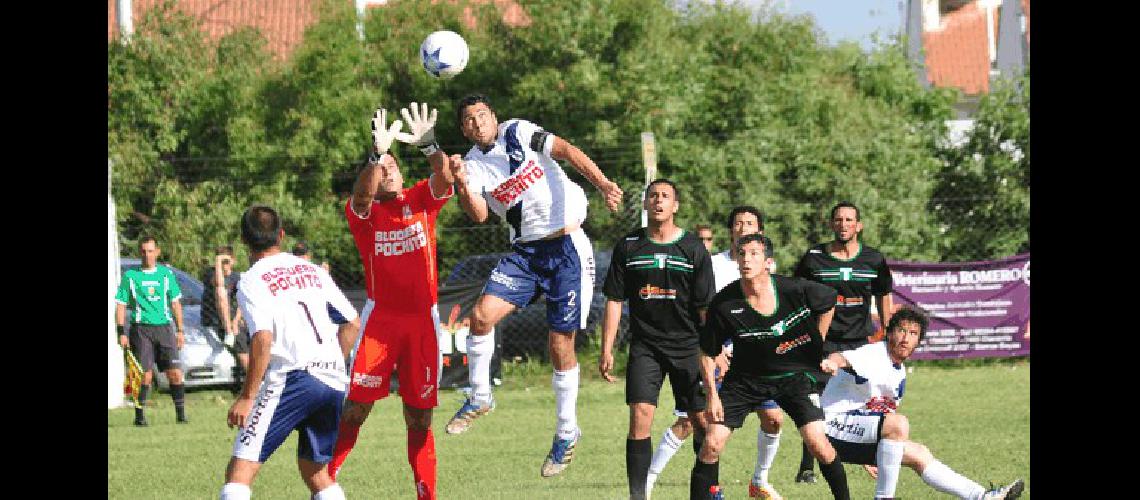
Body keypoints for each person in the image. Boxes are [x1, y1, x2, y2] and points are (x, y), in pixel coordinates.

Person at [445, 93, 624, 478]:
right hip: (525, 253)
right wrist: (460, 181)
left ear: (493, 115)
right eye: (469, 121)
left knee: (560, 344)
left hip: (567, 248)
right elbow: (477, 215)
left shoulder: (520, 131)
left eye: (482, 115)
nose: (477, 123)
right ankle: (479, 396)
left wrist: (604, 184)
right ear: (464, 130)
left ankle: (565, 431)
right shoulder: (473, 165)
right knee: (480, 317)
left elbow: (567, 150)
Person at [325, 104, 455, 500]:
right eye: (382, 170)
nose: (389, 172)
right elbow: (361, 195)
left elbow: (444, 176)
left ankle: (426, 494)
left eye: (393, 165)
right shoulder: (364, 215)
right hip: (381, 322)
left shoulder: (420, 199)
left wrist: (431, 146)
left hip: (422, 321)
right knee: (355, 410)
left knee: (419, 417)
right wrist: (373, 157)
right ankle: (325, 483)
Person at [692, 233, 850, 500]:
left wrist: (816, 345)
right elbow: (707, 353)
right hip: (744, 380)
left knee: (818, 444)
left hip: (794, 377)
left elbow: (829, 301)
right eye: (742, 254)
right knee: (711, 444)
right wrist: (712, 395)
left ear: (768, 262)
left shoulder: (794, 289)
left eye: (754, 253)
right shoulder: (725, 303)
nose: (746, 259)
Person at [219, 205, 361, 500]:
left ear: (244, 240)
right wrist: (333, 364)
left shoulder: (252, 279)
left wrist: (247, 397)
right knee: (315, 471)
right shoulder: (312, 270)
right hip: (332, 381)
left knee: (239, 473)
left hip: (293, 378)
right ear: (281, 235)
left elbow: (262, 338)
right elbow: (351, 323)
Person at [818, 306, 1025, 499]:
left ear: (919, 341)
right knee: (898, 424)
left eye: (913, 333)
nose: (905, 338)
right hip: (827, 430)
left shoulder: (898, 371)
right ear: (889, 333)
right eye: (901, 330)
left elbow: (873, 414)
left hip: (851, 432)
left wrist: (867, 455)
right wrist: (832, 362)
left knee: (919, 453)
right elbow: (842, 358)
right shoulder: (874, 354)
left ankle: (982, 496)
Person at [652, 206, 787, 499]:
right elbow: (696, 311)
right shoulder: (711, 264)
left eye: (750, 224)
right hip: (715, 357)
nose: (743, 228)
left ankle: (759, 481)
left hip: (755, 361)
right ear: (730, 231)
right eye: (738, 224)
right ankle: (645, 484)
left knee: (774, 418)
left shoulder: (767, 268)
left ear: (760, 232)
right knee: (693, 422)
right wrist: (717, 351)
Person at [598, 179, 715, 500]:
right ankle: (638, 496)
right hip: (645, 347)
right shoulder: (629, 247)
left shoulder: (692, 248)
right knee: (640, 416)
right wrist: (606, 348)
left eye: (665, 196)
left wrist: (713, 349)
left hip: (688, 345)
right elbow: (614, 300)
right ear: (646, 204)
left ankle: (706, 491)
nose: (658, 201)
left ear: (675, 205)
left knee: (701, 420)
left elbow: (706, 309)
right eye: (653, 196)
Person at [793, 201, 895, 485]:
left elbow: (884, 297)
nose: (843, 224)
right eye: (838, 219)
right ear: (831, 224)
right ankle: (807, 467)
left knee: (865, 403)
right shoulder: (814, 259)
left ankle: (867, 455)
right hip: (823, 345)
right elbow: (797, 297)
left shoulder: (873, 260)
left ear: (858, 226)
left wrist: (888, 336)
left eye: (849, 220)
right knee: (816, 405)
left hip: (859, 344)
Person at [114, 236, 188, 426]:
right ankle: (139, 417)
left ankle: (181, 415)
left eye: (150, 251)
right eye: (143, 251)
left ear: (157, 252)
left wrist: (180, 330)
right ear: (140, 253)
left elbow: (175, 303)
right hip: (141, 330)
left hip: (164, 328)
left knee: (175, 373)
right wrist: (121, 331)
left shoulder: (165, 275)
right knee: (145, 374)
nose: (147, 255)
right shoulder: (131, 277)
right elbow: (121, 305)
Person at [201, 245, 249, 377]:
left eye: (227, 262)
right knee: (241, 349)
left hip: (234, 318)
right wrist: (218, 263)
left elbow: (242, 301)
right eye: (222, 262)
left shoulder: (237, 277)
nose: (224, 266)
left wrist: (236, 320)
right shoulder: (210, 274)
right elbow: (218, 284)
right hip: (216, 319)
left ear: (233, 261)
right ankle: (256, 384)